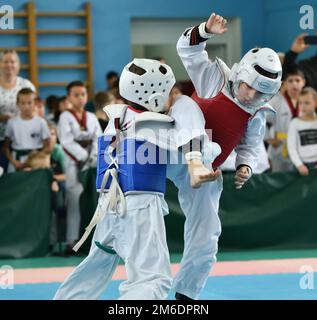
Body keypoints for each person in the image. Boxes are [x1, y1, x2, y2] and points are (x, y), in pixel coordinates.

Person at [166, 12, 282, 300]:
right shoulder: (216, 78)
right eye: (249, 86)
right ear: (241, 74)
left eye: (260, 93)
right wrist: (205, 30)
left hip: (207, 169)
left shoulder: (256, 112)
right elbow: (188, 51)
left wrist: (244, 166)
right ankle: (194, 159)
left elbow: (250, 146)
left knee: (207, 237)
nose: (251, 95)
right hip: (170, 150)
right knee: (183, 103)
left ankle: (186, 295)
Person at [54, 59, 179, 300]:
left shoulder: (115, 119)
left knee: (95, 268)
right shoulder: (154, 125)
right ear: (153, 97)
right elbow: (188, 151)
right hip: (140, 206)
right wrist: (208, 146)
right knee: (152, 278)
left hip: (109, 208)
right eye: (168, 92)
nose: (171, 98)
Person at [57, 81, 102, 255]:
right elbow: (66, 141)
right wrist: (83, 157)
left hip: (91, 163)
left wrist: (92, 157)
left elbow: (99, 138)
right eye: (76, 95)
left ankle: (93, 239)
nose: (80, 98)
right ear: (69, 97)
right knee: (74, 198)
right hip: (73, 164)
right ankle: (71, 241)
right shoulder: (65, 117)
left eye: (83, 94)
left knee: (94, 198)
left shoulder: (91, 117)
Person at [0, 49, 35, 172]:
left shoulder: (26, 85)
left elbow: (34, 110)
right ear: (0, 63)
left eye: (13, 62)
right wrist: (2, 118)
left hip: (22, 137)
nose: (9, 65)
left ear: (18, 65)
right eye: (6, 61)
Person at [267, 66, 306, 172]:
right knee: (279, 181)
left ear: (303, 82)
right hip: (280, 147)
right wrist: (267, 138)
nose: (294, 84)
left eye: (297, 80)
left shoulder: (307, 102)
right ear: (284, 84)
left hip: (301, 148)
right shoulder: (275, 101)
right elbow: (260, 118)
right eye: (290, 81)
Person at [3, 88, 50, 172]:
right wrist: (13, 161)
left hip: (36, 161)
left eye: (29, 103)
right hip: (17, 160)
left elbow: (48, 146)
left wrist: (36, 158)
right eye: (23, 103)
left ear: (34, 103)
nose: (26, 106)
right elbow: (6, 147)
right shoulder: (12, 122)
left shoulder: (41, 122)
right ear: (18, 104)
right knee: (16, 184)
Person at [287, 87, 317, 176]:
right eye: (300, 103)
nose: (303, 106)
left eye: (307, 103)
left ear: (315, 103)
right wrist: (299, 165)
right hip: (301, 165)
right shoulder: (294, 123)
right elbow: (291, 147)